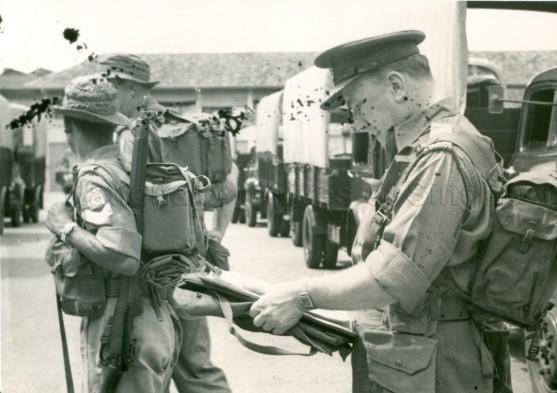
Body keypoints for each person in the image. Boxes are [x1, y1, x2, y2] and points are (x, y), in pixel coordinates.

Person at [249, 30, 508, 393]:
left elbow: (393, 278)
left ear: (397, 86)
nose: (355, 120)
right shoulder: (425, 146)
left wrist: (301, 295)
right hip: (425, 351)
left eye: (358, 104)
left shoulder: (440, 157)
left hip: (438, 360)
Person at [98, 53, 233, 393]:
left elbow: (129, 201)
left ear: (127, 88)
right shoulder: (187, 127)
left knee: (143, 369)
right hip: (189, 264)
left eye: (109, 85)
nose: (105, 92)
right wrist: (215, 230)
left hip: (148, 272)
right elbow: (231, 181)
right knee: (197, 369)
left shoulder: (134, 134)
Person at [45, 76, 180, 392]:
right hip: (149, 319)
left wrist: (64, 227)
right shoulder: (124, 167)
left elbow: (123, 255)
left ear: (70, 129)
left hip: (121, 326)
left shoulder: (94, 177)